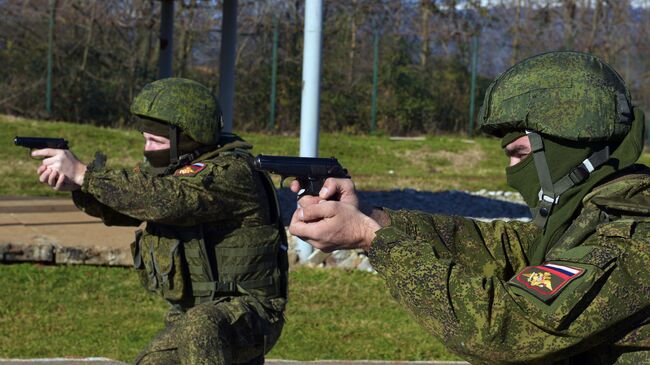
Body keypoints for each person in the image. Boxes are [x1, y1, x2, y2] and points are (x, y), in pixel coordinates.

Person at [289, 51, 649, 365]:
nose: (511, 174)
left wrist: (373, 239)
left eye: (520, 155)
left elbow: (504, 331)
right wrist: (374, 218)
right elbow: (506, 248)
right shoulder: (590, 216)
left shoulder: (632, 239)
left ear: (568, 149)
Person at [33, 78, 288, 365]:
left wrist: (85, 175)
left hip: (250, 315)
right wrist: (79, 187)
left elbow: (169, 201)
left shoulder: (233, 173)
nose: (147, 148)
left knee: (200, 326)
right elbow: (131, 206)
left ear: (189, 136)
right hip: (192, 319)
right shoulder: (175, 166)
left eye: (155, 140)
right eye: (144, 138)